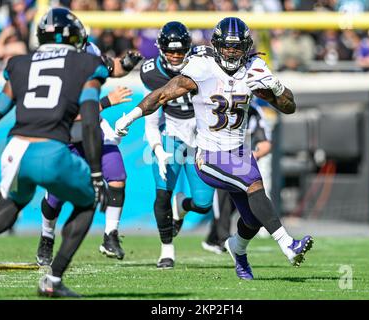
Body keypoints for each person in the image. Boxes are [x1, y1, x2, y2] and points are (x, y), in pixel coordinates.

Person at [115, 17, 314, 280]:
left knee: (253, 219)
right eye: (227, 47)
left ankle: (237, 250)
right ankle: (288, 245)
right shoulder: (202, 67)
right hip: (209, 154)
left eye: (237, 47)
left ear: (247, 47)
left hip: (239, 152)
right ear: (216, 46)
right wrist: (129, 118)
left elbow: (289, 107)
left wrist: (277, 86)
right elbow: (162, 95)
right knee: (253, 184)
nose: (232, 52)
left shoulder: (253, 67)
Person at [0, 7, 107, 297]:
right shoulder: (87, 63)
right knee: (88, 201)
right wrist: (96, 171)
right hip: (50, 152)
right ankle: (53, 280)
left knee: (10, 206)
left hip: (15, 152)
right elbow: (91, 121)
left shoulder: (20, 63)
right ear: (74, 37)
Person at [35, 16, 143, 266]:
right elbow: (65, 109)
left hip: (92, 130)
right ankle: (47, 235)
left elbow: (110, 67)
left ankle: (110, 234)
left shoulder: (88, 51)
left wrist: (127, 63)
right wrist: (106, 102)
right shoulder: (53, 66)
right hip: (63, 131)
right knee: (56, 195)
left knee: (116, 176)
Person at [140, 21, 214, 269]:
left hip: (199, 139)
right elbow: (151, 121)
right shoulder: (153, 73)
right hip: (170, 135)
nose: (174, 56)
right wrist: (158, 150)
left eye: (179, 51)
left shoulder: (202, 66)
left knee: (203, 204)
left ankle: (182, 206)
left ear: (188, 49)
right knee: (162, 193)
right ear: (161, 49)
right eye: (170, 51)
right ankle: (166, 251)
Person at [202, 103, 273, 254]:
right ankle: (222, 239)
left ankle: (213, 238)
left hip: (244, 164)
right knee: (220, 199)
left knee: (247, 205)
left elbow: (265, 142)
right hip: (220, 159)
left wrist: (254, 155)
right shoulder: (218, 106)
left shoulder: (253, 112)